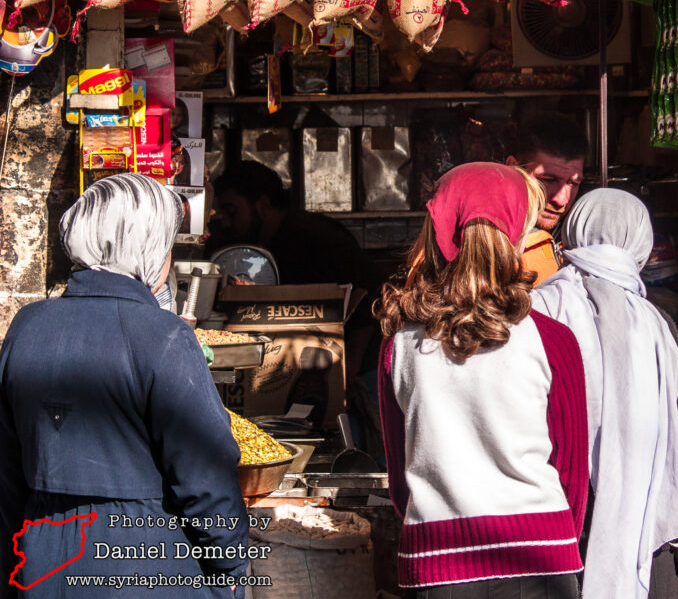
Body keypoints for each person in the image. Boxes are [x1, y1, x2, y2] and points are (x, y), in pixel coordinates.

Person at [0, 174, 247, 599]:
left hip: (40, 562)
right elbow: (207, 477)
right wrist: (230, 574)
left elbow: (4, 474)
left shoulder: (26, 326)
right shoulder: (163, 334)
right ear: (147, 245)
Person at [375, 162, 588, 598]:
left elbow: (399, 480)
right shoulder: (554, 341)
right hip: (542, 556)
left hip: (438, 562)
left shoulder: (398, 347)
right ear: (516, 234)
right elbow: (571, 475)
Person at [531, 188, 678, 599]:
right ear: (642, 243)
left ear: (574, 231)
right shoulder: (658, 327)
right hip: (642, 541)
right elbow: (677, 432)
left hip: (558, 530)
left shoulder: (537, 311)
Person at [209, 161, 386, 390]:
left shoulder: (312, 238)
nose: (225, 220)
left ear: (262, 205)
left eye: (232, 211)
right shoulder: (266, 242)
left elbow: (371, 295)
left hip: (360, 371)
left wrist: (351, 363)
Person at [505, 112, 588, 284]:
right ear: (513, 168)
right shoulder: (487, 241)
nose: (562, 200)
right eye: (548, 180)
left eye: (573, 183)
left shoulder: (579, 238)